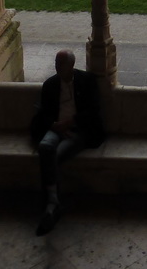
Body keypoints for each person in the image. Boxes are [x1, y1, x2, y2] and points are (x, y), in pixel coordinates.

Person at [30, 49, 104, 236]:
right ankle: (53, 203)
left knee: (55, 154)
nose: (57, 67)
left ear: (72, 65)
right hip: (56, 129)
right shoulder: (50, 84)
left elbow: (92, 110)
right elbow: (43, 113)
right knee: (45, 147)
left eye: (60, 64)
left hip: (78, 131)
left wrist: (70, 123)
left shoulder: (87, 81)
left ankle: (50, 204)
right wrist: (55, 125)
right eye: (56, 63)